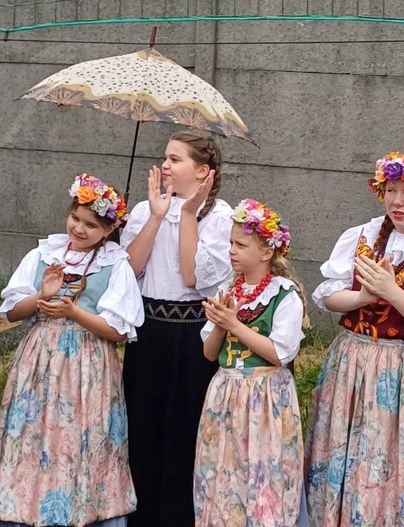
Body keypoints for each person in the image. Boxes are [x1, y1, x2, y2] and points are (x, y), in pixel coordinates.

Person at [305, 152, 404, 526]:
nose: (398, 201)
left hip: (403, 370)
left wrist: (393, 292)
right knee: (339, 451)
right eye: (391, 190)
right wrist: (363, 297)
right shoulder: (361, 235)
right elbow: (329, 296)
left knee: (392, 458)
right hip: (349, 360)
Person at [0, 172, 143, 527]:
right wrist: (41, 297)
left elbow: (117, 330)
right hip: (40, 358)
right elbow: (9, 312)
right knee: (32, 433)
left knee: (83, 437)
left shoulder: (115, 265)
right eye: (75, 219)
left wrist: (74, 312)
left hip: (88, 364)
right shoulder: (44, 253)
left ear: (109, 229)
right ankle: (24, 507)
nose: (79, 229)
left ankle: (83, 509)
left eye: (91, 225)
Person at [120, 130, 233, 526]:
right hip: (148, 331)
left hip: (193, 334)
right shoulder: (145, 208)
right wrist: (154, 216)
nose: (164, 165)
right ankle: (141, 515)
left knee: (185, 431)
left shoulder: (220, 218)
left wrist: (186, 215)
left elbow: (191, 277)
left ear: (203, 171)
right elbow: (131, 267)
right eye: (164, 158)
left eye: (174, 159)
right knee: (143, 426)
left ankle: (180, 517)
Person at [194, 198, 308, 526]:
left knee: (264, 470)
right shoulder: (227, 289)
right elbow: (209, 353)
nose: (232, 250)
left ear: (267, 251)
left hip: (266, 395)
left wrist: (233, 324)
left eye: (240, 245)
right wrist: (219, 323)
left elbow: (280, 353)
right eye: (231, 243)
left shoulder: (284, 293)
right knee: (224, 470)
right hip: (226, 391)